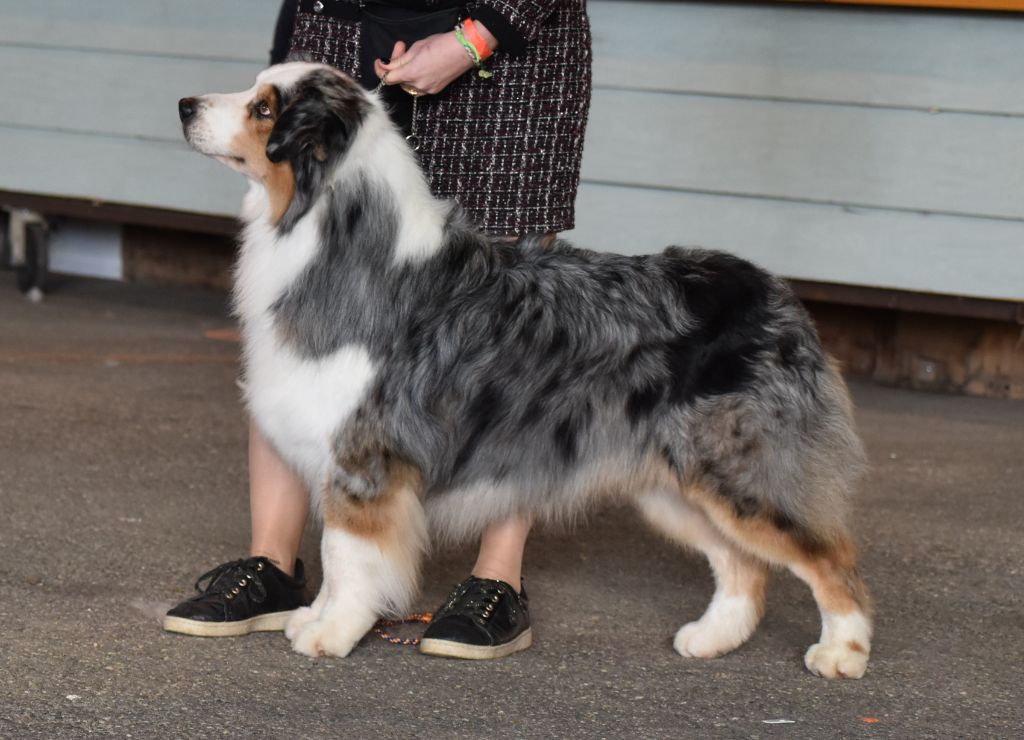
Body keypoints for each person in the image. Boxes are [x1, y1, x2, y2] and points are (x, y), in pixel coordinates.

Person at [165, 0, 592, 660]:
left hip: (495, 52)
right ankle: (272, 566)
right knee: (298, 329)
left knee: (502, 330)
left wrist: (475, 38)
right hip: (343, 23)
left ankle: (495, 578)